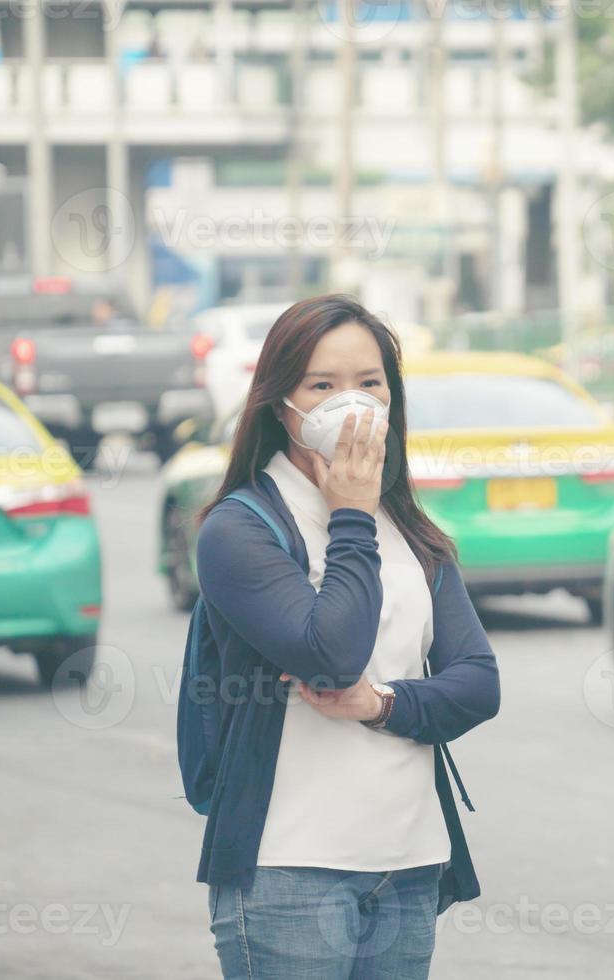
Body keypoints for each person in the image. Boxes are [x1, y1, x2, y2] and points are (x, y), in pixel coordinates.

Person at [191, 294, 500, 980]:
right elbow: (332, 654)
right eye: (322, 386)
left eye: (370, 383)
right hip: (289, 875)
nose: (351, 403)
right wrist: (350, 515)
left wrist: (382, 705)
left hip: (409, 866)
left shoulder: (411, 531)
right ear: (281, 405)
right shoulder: (239, 531)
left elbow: (478, 682)